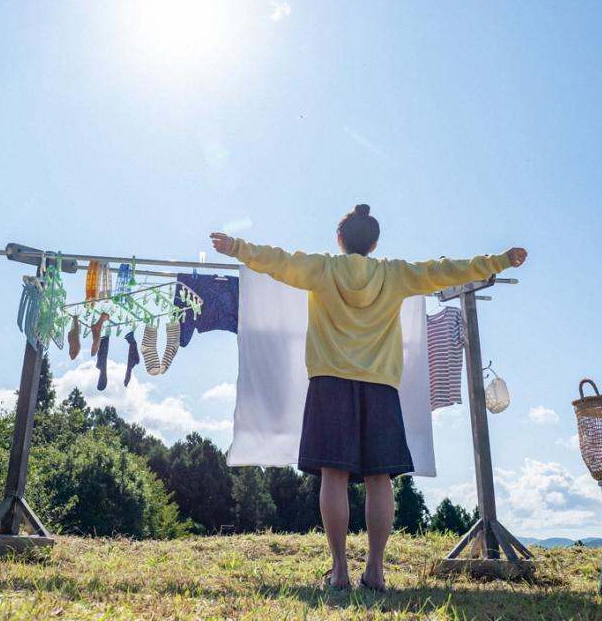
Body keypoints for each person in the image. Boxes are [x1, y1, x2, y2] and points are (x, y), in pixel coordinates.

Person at [210, 204, 527, 591]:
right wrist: (499, 261)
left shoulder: (322, 267)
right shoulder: (394, 274)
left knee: (333, 475)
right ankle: (375, 570)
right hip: (380, 386)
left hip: (329, 383)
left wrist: (237, 247)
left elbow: (278, 261)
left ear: (339, 240)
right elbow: (444, 271)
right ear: (375, 243)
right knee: (380, 479)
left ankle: (340, 569)